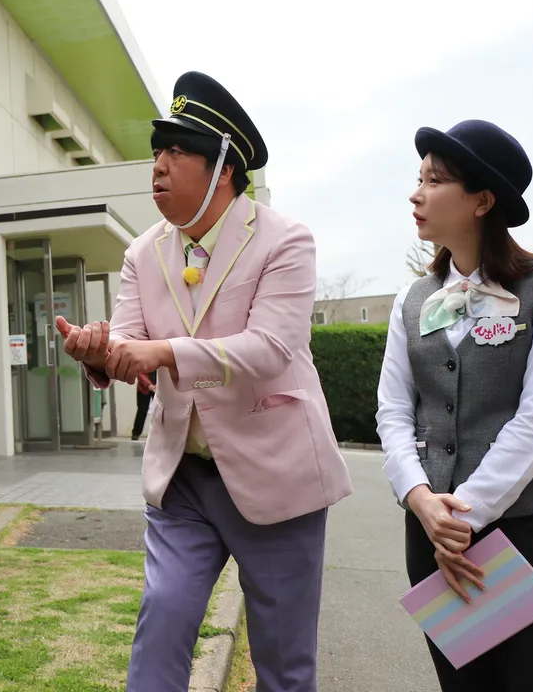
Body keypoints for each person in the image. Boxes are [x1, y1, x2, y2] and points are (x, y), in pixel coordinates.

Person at [54, 71, 352, 692]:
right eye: (157, 151)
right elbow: (127, 343)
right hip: (184, 479)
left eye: (177, 150)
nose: (158, 165)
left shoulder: (285, 240)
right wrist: (96, 351)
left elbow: (271, 348)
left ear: (222, 167)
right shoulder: (143, 252)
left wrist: (161, 350)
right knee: (161, 624)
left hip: (276, 479)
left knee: (283, 660)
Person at [375, 119, 533, 691]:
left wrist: (461, 514)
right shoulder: (411, 299)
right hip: (433, 534)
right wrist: (422, 503)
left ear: (482, 200)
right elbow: (394, 413)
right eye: (418, 178)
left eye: (435, 180)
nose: (416, 193)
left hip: (529, 533)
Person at [131, 371, 155, 440]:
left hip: (158, 386)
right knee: (142, 410)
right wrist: (148, 385)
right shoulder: (143, 360)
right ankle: (136, 433)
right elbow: (139, 373)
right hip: (143, 388)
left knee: (160, 410)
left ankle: (160, 433)